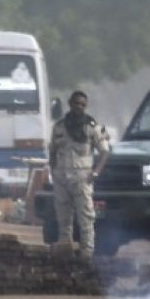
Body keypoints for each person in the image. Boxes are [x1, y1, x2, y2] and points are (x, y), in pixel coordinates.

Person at [48, 90, 111, 257]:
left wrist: (96, 172)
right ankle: (65, 254)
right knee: (63, 219)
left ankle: (87, 256)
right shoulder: (59, 127)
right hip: (61, 178)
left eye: (83, 104)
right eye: (76, 103)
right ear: (70, 103)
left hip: (82, 179)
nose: (79, 107)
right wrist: (53, 170)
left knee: (86, 220)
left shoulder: (92, 127)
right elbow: (53, 150)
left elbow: (104, 152)